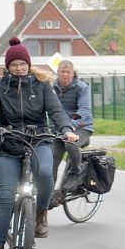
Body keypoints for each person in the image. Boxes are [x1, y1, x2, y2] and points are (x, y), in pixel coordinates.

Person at [0, 37, 78, 249]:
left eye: (22, 64)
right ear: (8, 66)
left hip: (38, 140)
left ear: (28, 64)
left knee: (45, 173)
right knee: (5, 197)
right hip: (7, 144)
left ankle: (41, 213)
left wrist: (66, 129)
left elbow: (56, 111)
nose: (19, 68)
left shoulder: (42, 87)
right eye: (14, 64)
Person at [51, 59, 94, 189]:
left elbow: (83, 110)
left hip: (81, 126)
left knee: (70, 144)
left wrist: (71, 125)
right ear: (57, 72)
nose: (65, 75)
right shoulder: (51, 87)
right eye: (62, 72)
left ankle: (76, 171)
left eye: (68, 72)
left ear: (72, 73)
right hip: (59, 127)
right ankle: (48, 194)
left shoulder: (81, 88)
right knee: (51, 162)